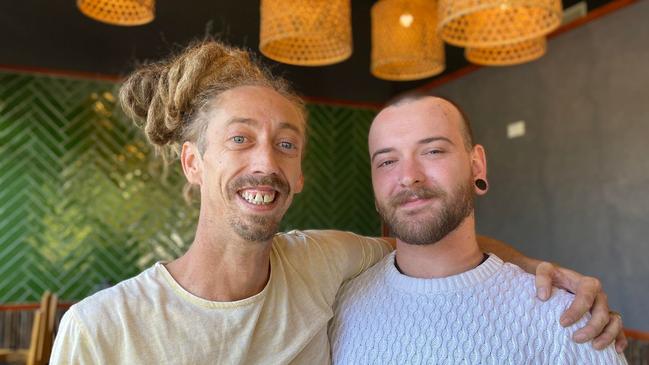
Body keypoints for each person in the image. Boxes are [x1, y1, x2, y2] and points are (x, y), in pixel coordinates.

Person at [51, 40, 624, 364]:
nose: (265, 163)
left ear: (299, 175)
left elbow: (430, 242)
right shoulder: (101, 330)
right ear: (192, 163)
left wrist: (537, 273)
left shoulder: (323, 265)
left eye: (286, 144)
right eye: (239, 139)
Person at [329, 95, 627, 364]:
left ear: (477, 166)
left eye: (432, 151)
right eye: (387, 161)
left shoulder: (564, 318)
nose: (408, 177)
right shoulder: (337, 307)